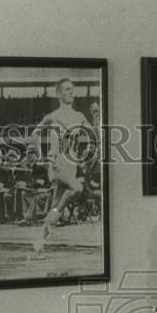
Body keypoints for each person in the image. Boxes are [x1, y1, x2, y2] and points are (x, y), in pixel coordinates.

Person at [28, 78, 92, 240]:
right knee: (77, 188)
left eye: (72, 89)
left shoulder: (79, 116)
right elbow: (34, 134)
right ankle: (54, 216)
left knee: (55, 206)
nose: (71, 92)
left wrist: (97, 116)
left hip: (71, 165)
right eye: (66, 89)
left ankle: (39, 244)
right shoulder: (53, 116)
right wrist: (41, 157)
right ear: (58, 93)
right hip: (57, 164)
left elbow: (94, 135)